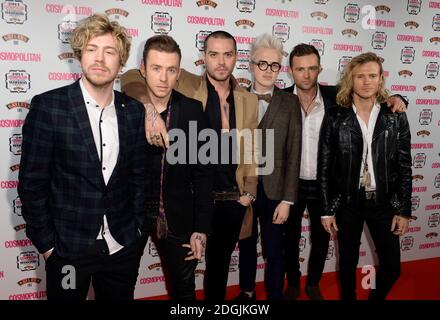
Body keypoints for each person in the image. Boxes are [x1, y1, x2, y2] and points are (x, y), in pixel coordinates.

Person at [121, 30, 259, 300]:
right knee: (121, 283)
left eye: (228, 54)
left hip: (213, 202)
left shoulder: (241, 99)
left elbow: (248, 149)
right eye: (214, 54)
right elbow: (128, 78)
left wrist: (248, 192)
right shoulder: (184, 88)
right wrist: (149, 110)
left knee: (201, 280)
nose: (164, 77)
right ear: (204, 58)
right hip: (143, 211)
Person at [18, 14, 148, 300]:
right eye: (92, 49)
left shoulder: (134, 111)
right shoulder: (49, 107)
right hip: (67, 252)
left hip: (122, 247)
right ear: (79, 55)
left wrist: (138, 229)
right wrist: (49, 247)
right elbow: (31, 184)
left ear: (121, 62)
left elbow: (139, 178)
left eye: (109, 51)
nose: (100, 59)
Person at [283, 44, 408, 300]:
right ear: (291, 71)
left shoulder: (383, 112)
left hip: (360, 195)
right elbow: (324, 160)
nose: (306, 75)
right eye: (300, 69)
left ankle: (314, 282)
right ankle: (295, 283)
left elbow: (404, 164)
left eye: (372, 75)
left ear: (318, 69)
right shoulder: (285, 100)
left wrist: (399, 98)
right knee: (294, 243)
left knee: (324, 244)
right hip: (303, 188)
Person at [319, 52, 412, 300]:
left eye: (372, 75)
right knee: (347, 263)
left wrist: (403, 210)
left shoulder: (395, 115)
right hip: (348, 202)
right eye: (360, 76)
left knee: (392, 267)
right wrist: (327, 209)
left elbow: (404, 165)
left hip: (383, 203)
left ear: (381, 79)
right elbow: (325, 165)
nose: (367, 81)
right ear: (351, 79)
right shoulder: (335, 116)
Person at [140, 34, 213, 300]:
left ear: (179, 72)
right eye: (156, 68)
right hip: (133, 216)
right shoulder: (128, 107)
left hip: (180, 217)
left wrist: (201, 228)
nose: (163, 78)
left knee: (184, 290)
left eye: (171, 70)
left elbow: (205, 173)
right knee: (118, 285)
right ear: (143, 70)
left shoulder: (194, 110)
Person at [234, 34, 301, 300]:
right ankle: (247, 293)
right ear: (250, 65)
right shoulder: (235, 98)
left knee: (274, 250)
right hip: (242, 189)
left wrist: (288, 199)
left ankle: (275, 295)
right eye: (262, 64)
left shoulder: (289, 102)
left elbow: (294, 151)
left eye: (274, 65)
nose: (268, 70)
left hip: (275, 192)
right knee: (246, 246)